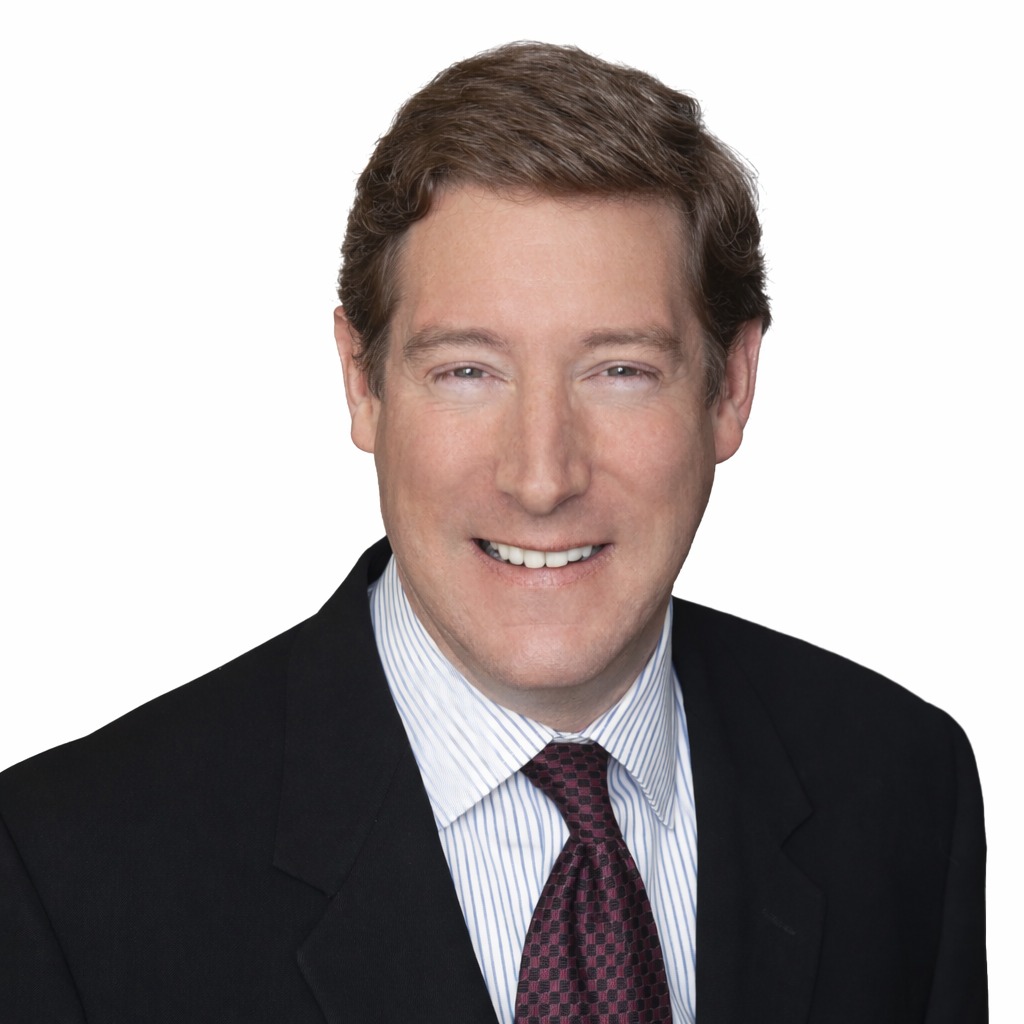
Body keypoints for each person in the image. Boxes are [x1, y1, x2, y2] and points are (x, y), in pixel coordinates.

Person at [0, 42, 986, 1023]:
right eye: (467, 371)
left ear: (730, 387)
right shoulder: (68, 867)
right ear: (362, 382)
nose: (541, 477)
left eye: (620, 371)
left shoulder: (903, 790)